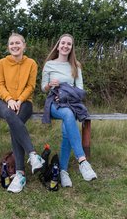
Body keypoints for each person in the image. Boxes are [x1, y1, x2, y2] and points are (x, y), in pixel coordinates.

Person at [41, 33, 97, 188]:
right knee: (67, 114)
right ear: (58, 46)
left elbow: (80, 90)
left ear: (72, 48)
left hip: (70, 103)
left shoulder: (76, 66)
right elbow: (43, 88)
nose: (65, 46)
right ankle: (82, 161)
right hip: (54, 102)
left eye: (69, 44)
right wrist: (50, 85)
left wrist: (66, 91)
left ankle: (63, 172)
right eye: (63, 43)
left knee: (67, 128)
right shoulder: (49, 64)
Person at [0, 33, 45, 193]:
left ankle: (20, 174)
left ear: (24, 46)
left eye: (18, 43)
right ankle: (33, 154)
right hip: (4, 102)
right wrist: (9, 99)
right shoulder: (2, 63)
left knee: (14, 124)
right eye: (11, 44)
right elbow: (0, 85)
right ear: (8, 47)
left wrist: (19, 100)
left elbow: (31, 86)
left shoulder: (31, 63)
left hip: (25, 103)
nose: (14, 46)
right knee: (11, 116)